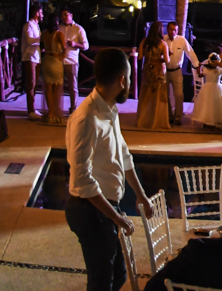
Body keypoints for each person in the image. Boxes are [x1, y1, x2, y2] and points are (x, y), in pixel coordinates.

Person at [66, 48, 154, 291]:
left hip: (107, 207)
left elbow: (123, 155)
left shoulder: (110, 108)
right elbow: (82, 179)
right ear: (122, 80)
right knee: (102, 281)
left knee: (118, 276)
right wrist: (116, 218)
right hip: (89, 209)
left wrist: (141, 194)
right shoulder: (87, 118)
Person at [136, 22, 171, 131]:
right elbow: (167, 60)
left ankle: (143, 120)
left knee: (146, 96)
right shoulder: (162, 44)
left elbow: (139, 57)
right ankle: (157, 120)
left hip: (147, 70)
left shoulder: (144, 42)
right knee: (158, 96)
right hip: (159, 72)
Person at [164, 22, 200, 125]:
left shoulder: (181, 40)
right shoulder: (163, 39)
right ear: (167, 29)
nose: (173, 32)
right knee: (165, 95)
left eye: (175, 30)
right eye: (171, 29)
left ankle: (178, 117)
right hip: (165, 71)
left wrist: (197, 66)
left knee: (179, 95)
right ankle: (169, 116)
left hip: (177, 71)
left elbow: (190, 53)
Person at [59, 8, 89, 114]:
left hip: (71, 60)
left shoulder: (78, 29)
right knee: (58, 85)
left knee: (72, 86)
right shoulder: (59, 28)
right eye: (62, 15)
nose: (63, 17)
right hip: (59, 60)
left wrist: (75, 44)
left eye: (66, 14)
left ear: (71, 15)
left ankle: (73, 108)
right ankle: (57, 107)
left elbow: (86, 46)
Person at [40, 14, 67, 125]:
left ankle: (50, 113)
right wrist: (61, 56)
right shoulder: (59, 34)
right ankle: (56, 113)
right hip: (56, 62)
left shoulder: (44, 33)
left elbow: (42, 46)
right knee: (57, 89)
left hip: (46, 60)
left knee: (48, 89)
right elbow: (64, 49)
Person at [190, 53, 222, 129]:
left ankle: (215, 120)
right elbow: (200, 75)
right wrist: (199, 67)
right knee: (208, 105)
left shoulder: (219, 69)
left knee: (214, 104)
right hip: (210, 87)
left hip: (215, 87)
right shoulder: (209, 69)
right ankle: (206, 121)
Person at [21, 3, 44, 119]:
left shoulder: (37, 26)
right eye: (41, 12)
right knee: (31, 83)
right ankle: (30, 110)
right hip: (29, 57)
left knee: (34, 85)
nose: (42, 15)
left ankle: (33, 108)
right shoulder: (29, 25)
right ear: (36, 13)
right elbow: (29, 40)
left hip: (37, 57)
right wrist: (42, 38)